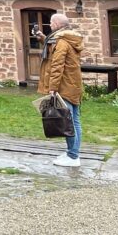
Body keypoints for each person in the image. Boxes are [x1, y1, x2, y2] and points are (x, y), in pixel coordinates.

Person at [37, 13, 84, 167]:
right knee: (74, 121)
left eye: (51, 22)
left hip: (64, 86)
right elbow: (54, 51)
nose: (50, 24)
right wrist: (43, 39)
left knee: (67, 122)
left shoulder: (62, 42)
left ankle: (72, 156)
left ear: (57, 24)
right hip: (73, 85)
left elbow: (57, 66)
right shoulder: (67, 39)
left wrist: (53, 88)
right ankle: (72, 152)